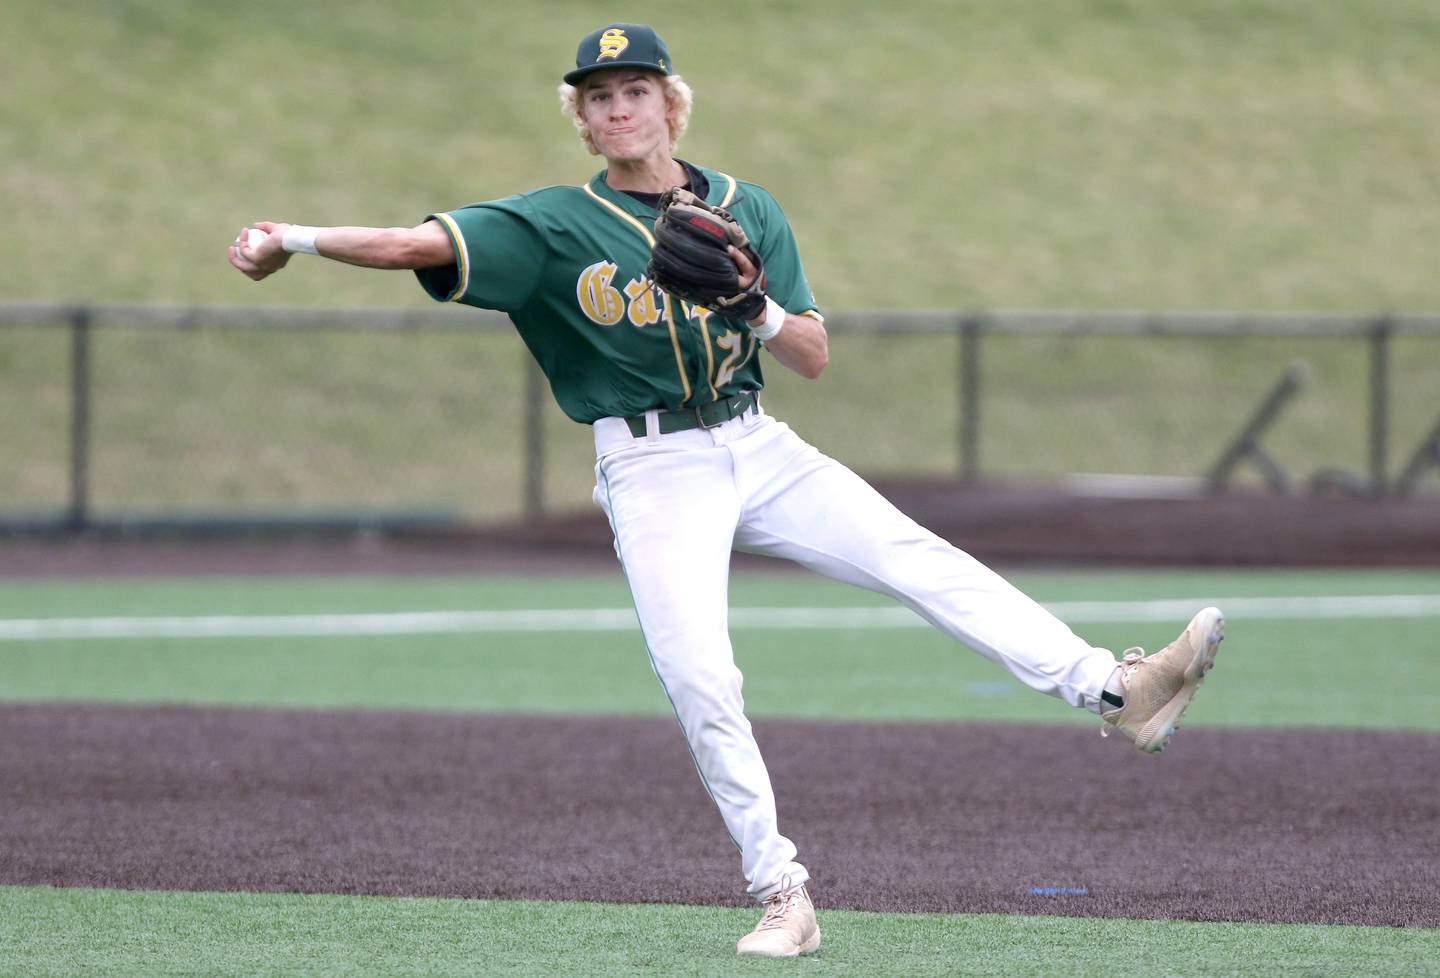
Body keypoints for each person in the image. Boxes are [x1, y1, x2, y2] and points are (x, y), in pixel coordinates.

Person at [228, 22, 1225, 958]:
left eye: (636, 92)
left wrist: (750, 304)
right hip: (653, 465)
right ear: (580, 119)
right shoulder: (551, 224)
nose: (619, 111)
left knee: (919, 557)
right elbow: (412, 244)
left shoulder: (749, 209)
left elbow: (813, 355)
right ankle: (783, 894)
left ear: (671, 105)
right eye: (599, 98)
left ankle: (1116, 688)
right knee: (702, 675)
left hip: (758, 440)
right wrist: (294, 237)